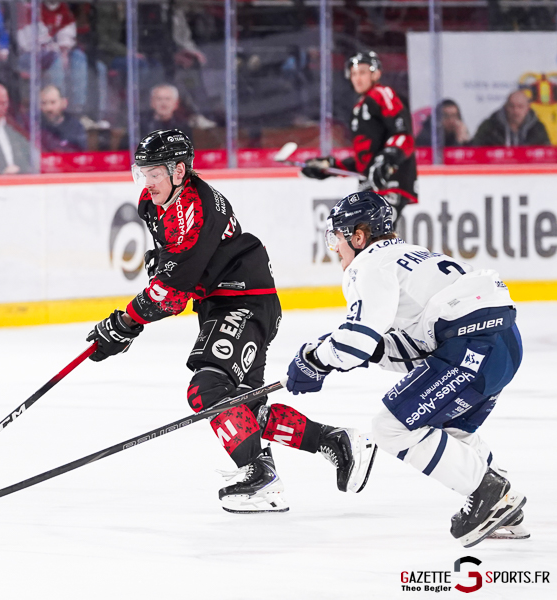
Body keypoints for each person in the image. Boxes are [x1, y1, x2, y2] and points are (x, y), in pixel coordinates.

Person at [85, 129, 376, 513]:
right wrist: (143, 303)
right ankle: (336, 441)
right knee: (245, 411)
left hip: (243, 302)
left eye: (153, 173)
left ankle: (259, 473)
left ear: (178, 170)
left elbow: (173, 291)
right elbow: (173, 267)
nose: (146, 183)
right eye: (141, 173)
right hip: (223, 305)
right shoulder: (154, 202)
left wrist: (125, 323)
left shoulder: (198, 208)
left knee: (206, 388)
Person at [286, 191, 527, 547]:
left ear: (358, 235)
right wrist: (353, 350)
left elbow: (355, 341)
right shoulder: (411, 257)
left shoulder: (368, 264)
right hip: (502, 344)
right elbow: (416, 351)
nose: (334, 247)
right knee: (440, 427)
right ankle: (507, 504)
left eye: (336, 237)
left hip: (473, 344)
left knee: (391, 427)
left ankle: (491, 493)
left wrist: (315, 359)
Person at [301, 51, 418, 230]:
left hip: (390, 180)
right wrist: (329, 166)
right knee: (361, 238)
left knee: (372, 236)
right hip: (371, 184)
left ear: (376, 73)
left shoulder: (381, 93)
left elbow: (403, 136)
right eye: (354, 73)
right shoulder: (359, 107)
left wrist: (387, 159)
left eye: (362, 72)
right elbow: (364, 161)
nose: (357, 78)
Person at [472, 90, 551, 147]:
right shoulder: (489, 127)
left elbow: (548, 153)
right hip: (496, 167)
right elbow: (474, 149)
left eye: (520, 107)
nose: (516, 111)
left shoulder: (538, 128)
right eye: (512, 106)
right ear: (506, 107)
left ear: (528, 108)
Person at [40, 84, 87, 152]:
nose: (48, 108)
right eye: (43, 103)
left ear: (63, 103)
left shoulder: (75, 127)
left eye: (53, 102)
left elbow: (81, 154)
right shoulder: (35, 126)